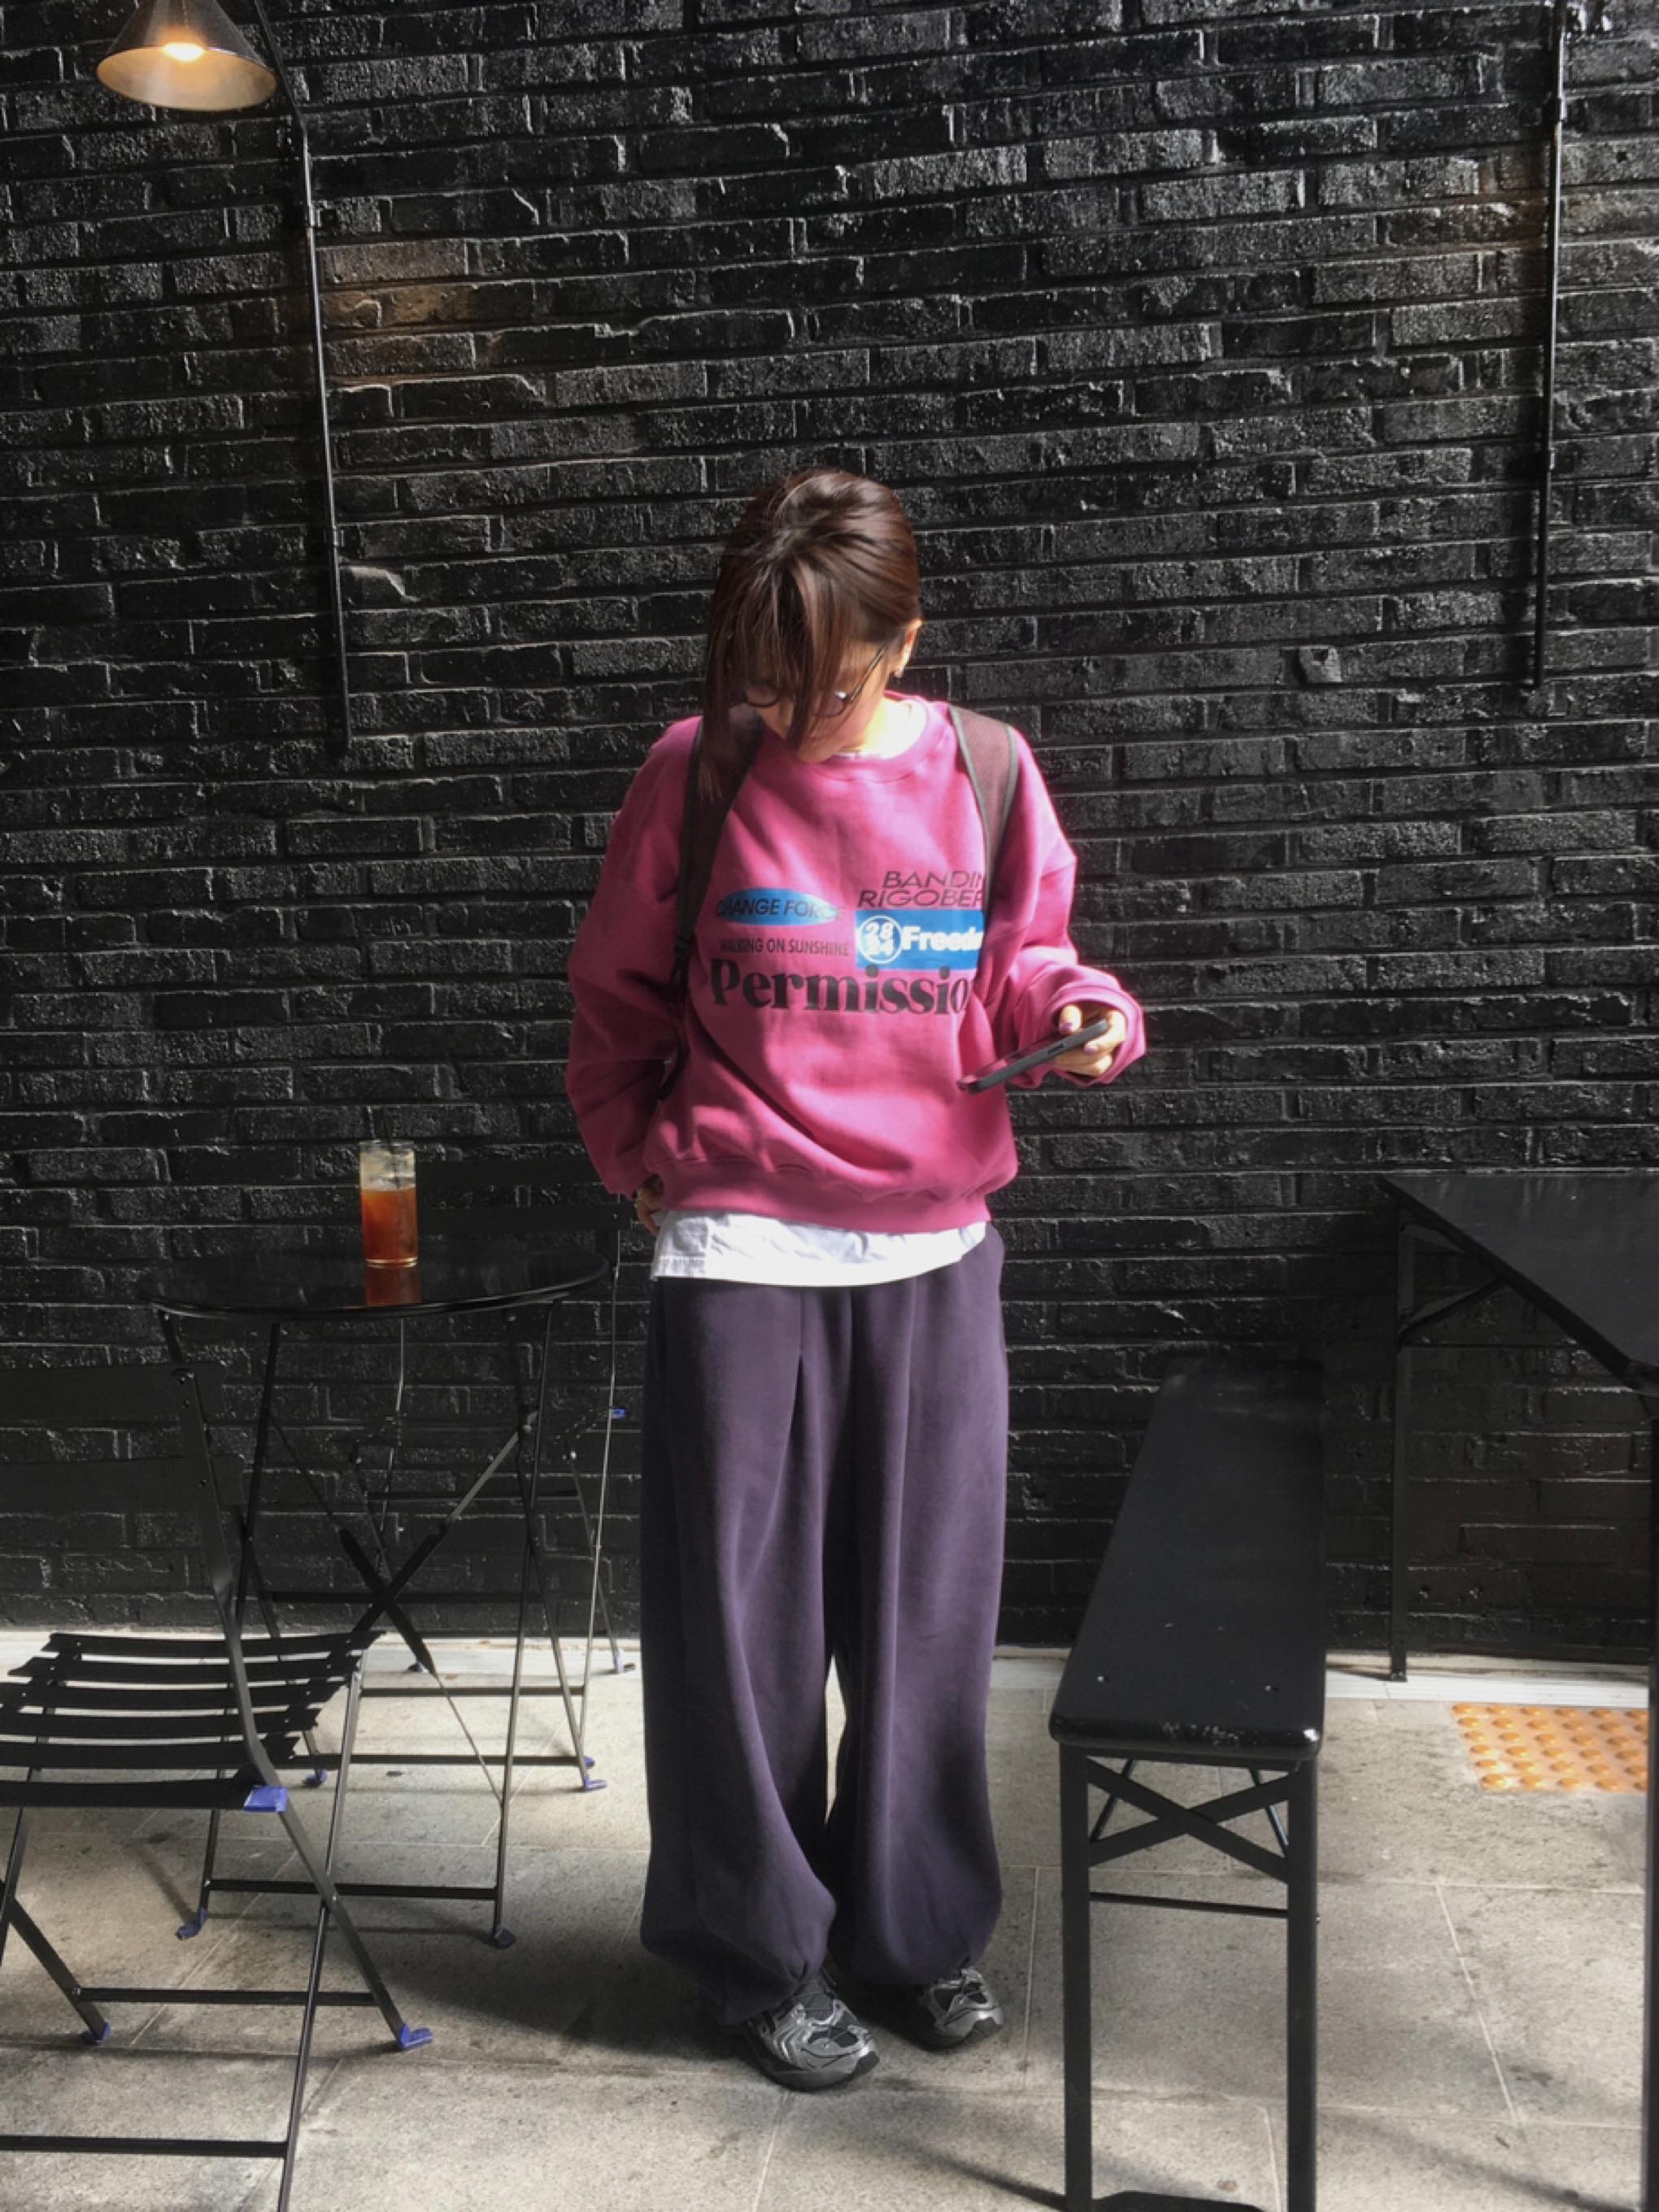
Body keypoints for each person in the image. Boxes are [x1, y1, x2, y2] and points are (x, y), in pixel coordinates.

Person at [564, 466, 1147, 2092]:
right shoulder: (694, 772)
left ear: (904, 641)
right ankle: (759, 1957)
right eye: (760, 676)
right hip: (740, 1255)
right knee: (740, 1642)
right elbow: (615, 997)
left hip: (931, 1251)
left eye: (820, 682)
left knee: (924, 1630)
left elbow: (1024, 963)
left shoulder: (986, 771)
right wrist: (638, 1161)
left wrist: (1084, 1015)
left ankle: (912, 1932)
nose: (788, 714)